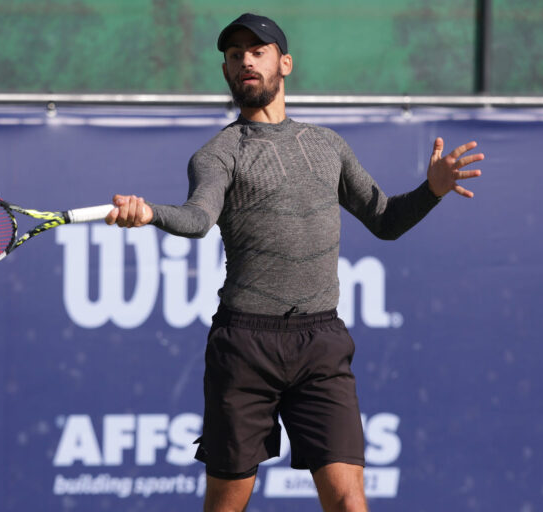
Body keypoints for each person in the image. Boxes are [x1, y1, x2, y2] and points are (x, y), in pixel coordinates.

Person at [106, 12, 483, 512]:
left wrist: (431, 191)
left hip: (321, 345)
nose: (245, 61)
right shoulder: (216, 155)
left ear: (284, 63)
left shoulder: (327, 146)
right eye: (234, 55)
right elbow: (198, 218)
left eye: (257, 51)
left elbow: (386, 220)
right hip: (244, 348)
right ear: (226, 71)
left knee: (349, 501)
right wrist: (150, 213)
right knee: (227, 503)